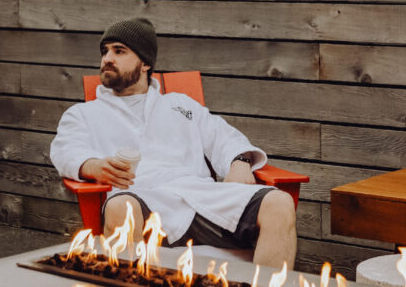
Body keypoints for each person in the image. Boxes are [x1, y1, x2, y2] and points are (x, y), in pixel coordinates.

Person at [50, 18, 296, 268]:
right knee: (120, 207)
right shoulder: (84, 114)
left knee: (279, 203)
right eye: (105, 51)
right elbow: (66, 149)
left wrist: (241, 161)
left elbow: (223, 136)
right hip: (142, 201)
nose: (107, 58)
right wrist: (91, 166)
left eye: (119, 51)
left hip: (203, 199)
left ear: (145, 63)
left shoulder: (181, 105)